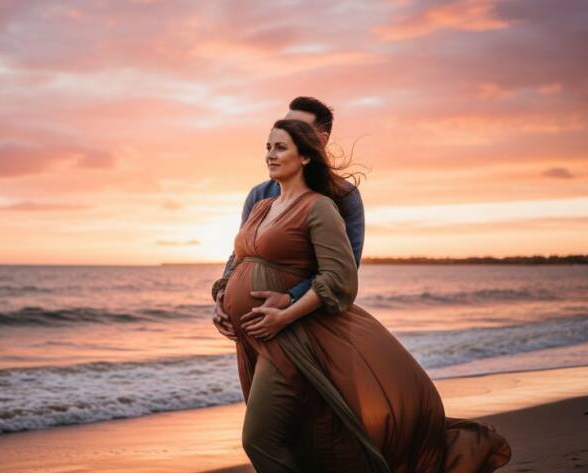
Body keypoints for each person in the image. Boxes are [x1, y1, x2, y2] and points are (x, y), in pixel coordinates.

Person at [210, 119, 512, 472]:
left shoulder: (318, 207)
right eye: (267, 147)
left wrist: (286, 313)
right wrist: (220, 300)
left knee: (258, 439)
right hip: (253, 338)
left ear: (306, 157)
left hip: (291, 338)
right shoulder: (262, 207)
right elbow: (237, 259)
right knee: (291, 435)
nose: (270, 155)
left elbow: (340, 277)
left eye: (280, 147)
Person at [211, 97, 364, 343]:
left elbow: (344, 269)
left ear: (319, 142)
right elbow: (238, 256)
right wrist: (222, 297)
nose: (287, 132)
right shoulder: (260, 196)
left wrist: (290, 299)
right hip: (256, 326)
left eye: (298, 130)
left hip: (305, 323)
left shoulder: (341, 197)